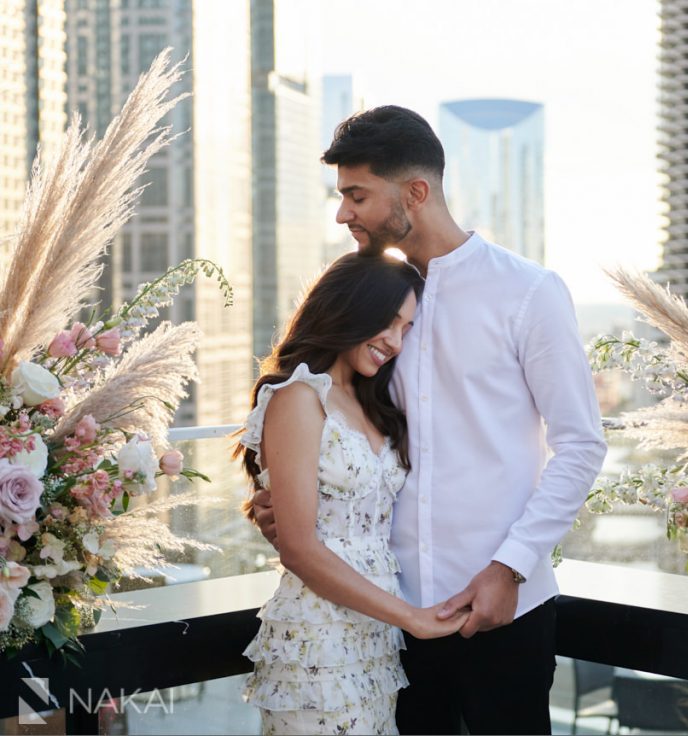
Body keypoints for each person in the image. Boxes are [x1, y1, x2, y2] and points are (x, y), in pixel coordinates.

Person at [253, 105, 607, 734]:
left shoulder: (529, 292)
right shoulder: (375, 304)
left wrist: (509, 568)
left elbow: (580, 446)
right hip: (386, 617)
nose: (343, 214)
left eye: (357, 195)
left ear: (415, 192)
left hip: (504, 609)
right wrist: (281, 500)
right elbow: (324, 416)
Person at [235, 253, 469, 736]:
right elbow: (299, 548)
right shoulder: (298, 397)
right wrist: (414, 618)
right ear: (350, 306)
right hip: (317, 643)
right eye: (387, 322)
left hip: (374, 639)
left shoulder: (370, 401)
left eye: (405, 329)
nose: (395, 341)